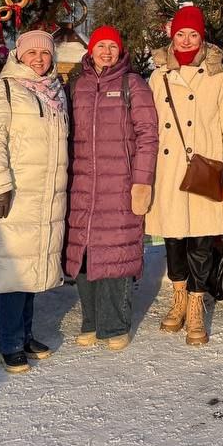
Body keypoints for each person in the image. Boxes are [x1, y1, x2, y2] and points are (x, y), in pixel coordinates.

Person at [147, 5, 223, 347]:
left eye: (193, 34)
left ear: (202, 37)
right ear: (171, 37)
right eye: (180, 34)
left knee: (202, 241)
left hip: (206, 166)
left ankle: (195, 304)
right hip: (169, 168)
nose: (186, 40)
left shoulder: (221, 75)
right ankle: (177, 299)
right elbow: (149, 126)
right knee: (173, 240)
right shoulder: (158, 75)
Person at [0, 29, 70, 374]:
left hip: (44, 195)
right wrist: (0, 185)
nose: (39, 60)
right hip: (14, 195)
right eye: (32, 54)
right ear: (19, 56)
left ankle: (25, 334)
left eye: (45, 55)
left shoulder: (56, 93)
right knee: (12, 271)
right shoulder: (5, 90)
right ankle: (9, 342)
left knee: (31, 269)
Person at [65, 25, 158, 351]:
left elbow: (148, 137)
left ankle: (114, 325)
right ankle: (91, 321)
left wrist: (142, 182)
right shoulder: (77, 85)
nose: (106, 51)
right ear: (90, 50)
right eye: (100, 46)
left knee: (116, 256)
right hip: (82, 185)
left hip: (119, 185)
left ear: (121, 51)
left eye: (112, 47)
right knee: (85, 256)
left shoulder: (133, 84)